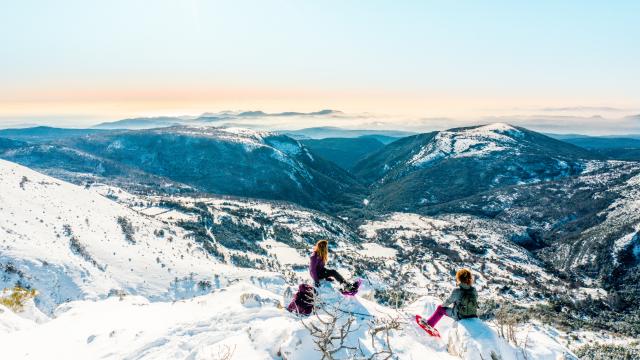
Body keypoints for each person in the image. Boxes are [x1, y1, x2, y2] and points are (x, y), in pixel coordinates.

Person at [419, 268, 478, 332]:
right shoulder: (473, 289)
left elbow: (449, 301)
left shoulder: (457, 290)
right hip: (472, 314)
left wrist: (442, 305)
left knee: (440, 309)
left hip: (460, 315)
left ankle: (429, 324)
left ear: (459, 278)